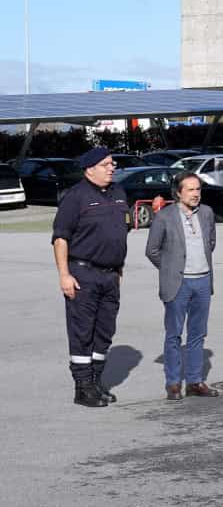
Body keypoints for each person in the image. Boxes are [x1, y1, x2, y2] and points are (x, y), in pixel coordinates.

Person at [51, 146, 131, 408]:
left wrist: (118, 268)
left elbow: (120, 233)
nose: (111, 168)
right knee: (82, 332)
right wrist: (64, 275)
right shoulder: (76, 197)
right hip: (83, 273)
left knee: (105, 331)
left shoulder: (119, 193)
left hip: (111, 275)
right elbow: (60, 238)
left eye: (112, 163)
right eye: (106, 164)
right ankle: (83, 388)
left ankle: (96, 382)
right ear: (89, 169)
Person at [145, 172, 219, 400]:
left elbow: (211, 242)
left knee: (198, 334)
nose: (196, 194)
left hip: (203, 281)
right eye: (190, 189)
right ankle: (173, 383)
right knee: (174, 335)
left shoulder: (207, 213)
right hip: (178, 283)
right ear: (178, 193)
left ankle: (195, 381)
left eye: (198, 189)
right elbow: (152, 250)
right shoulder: (164, 216)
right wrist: (170, 268)